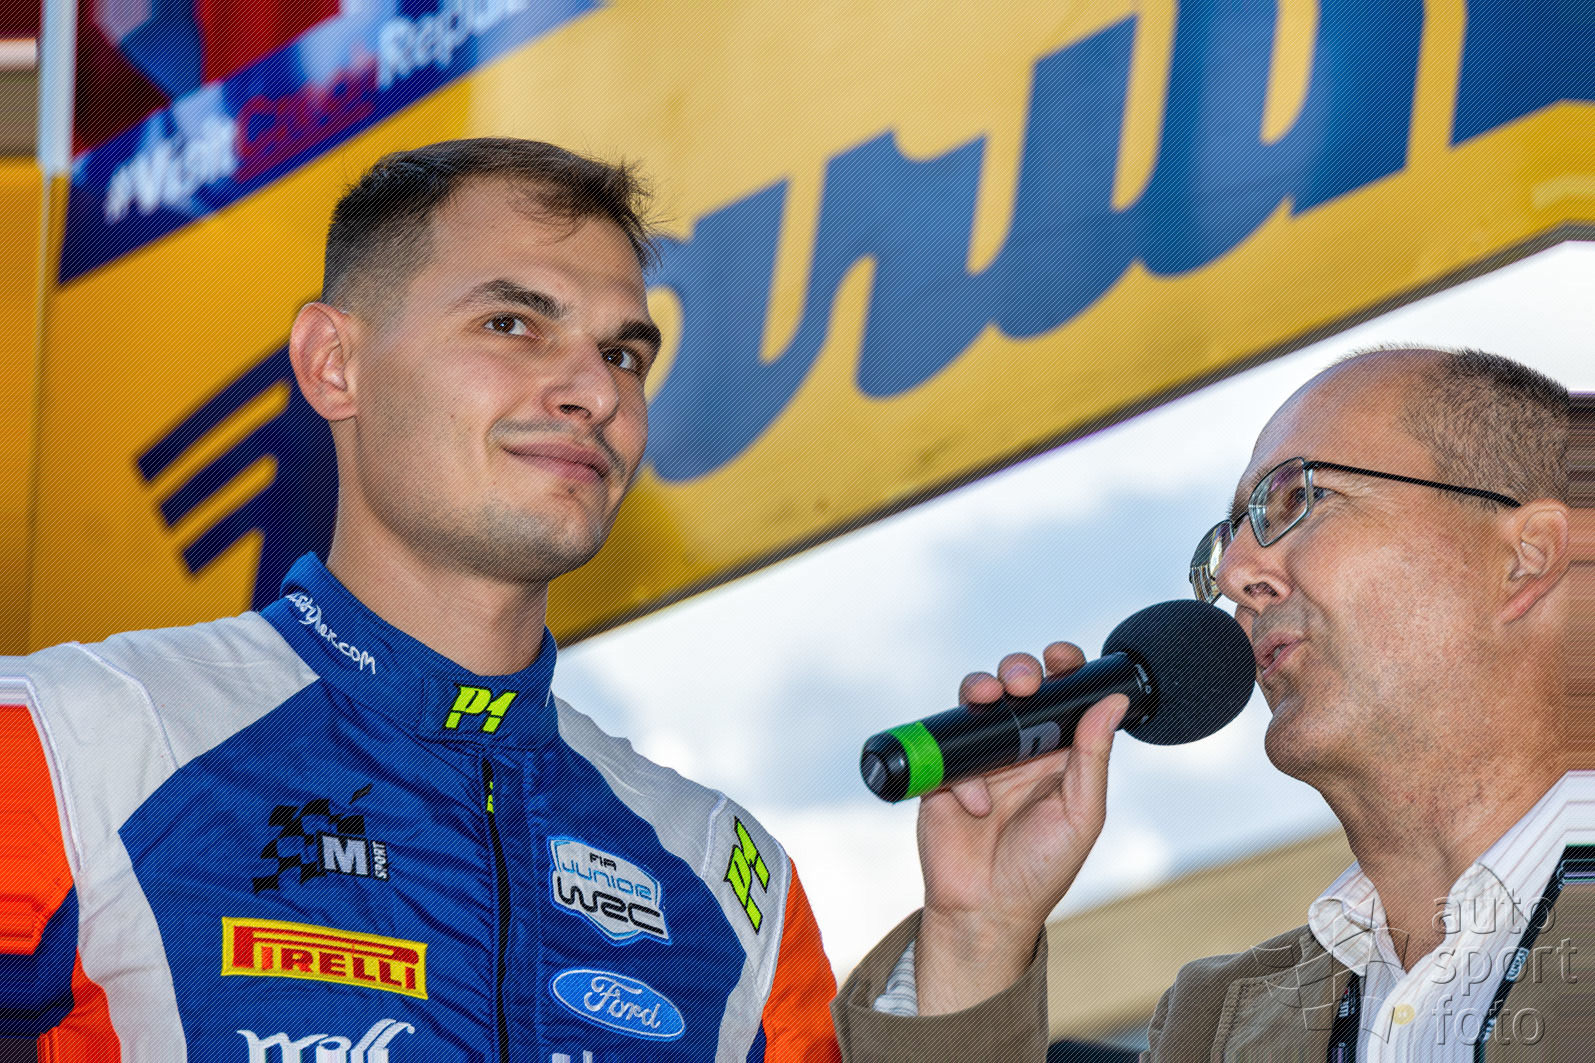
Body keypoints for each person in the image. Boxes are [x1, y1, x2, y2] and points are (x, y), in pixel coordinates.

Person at [1, 139, 857, 1061]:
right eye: (511, 323)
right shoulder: (72, 739)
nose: (595, 392)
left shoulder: (727, 876)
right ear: (334, 363)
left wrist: (961, 955)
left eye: (621, 353)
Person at [834, 347, 1583, 1060]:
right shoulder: (1214, 1024)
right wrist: (979, 935)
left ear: (1526, 558)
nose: (1233, 574)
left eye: (1299, 498)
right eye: (1228, 538)